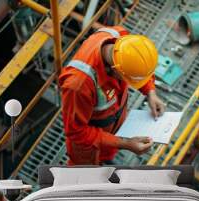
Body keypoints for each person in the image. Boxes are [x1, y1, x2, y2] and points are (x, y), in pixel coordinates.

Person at [59, 26, 165, 165]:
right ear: (116, 70)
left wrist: (150, 91)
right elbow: (76, 132)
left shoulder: (122, 41)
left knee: (107, 156)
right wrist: (125, 143)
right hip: (89, 147)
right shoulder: (78, 85)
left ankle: (106, 159)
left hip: (114, 129)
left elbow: (138, 65)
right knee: (85, 171)